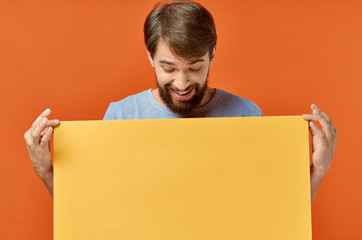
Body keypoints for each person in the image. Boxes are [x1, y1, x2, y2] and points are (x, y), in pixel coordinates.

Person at [24, 0, 337, 202]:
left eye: (195, 67)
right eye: (168, 68)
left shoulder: (245, 113)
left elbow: (277, 212)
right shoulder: (122, 115)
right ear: (150, 57)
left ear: (212, 55)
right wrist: (45, 170)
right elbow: (91, 214)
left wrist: (318, 171)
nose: (183, 83)